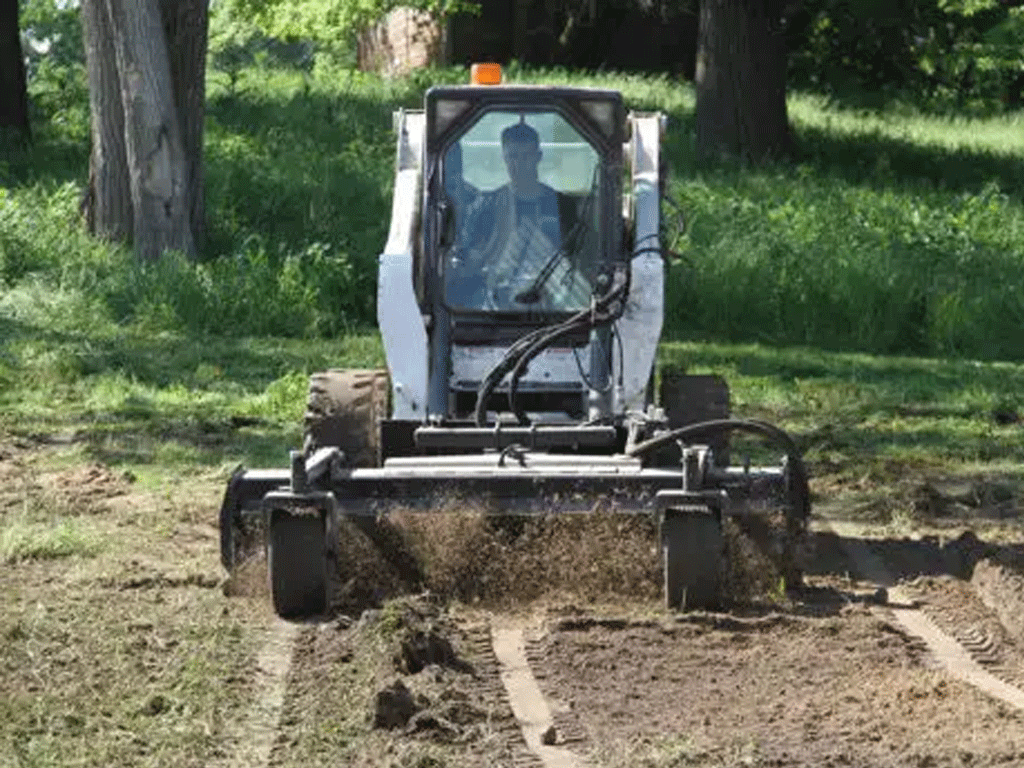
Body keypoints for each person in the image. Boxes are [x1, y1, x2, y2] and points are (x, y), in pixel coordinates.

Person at [459, 121, 578, 310]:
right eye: (512, 156)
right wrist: (495, 243)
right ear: (503, 158)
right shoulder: (486, 206)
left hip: (552, 306)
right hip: (497, 306)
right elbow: (468, 265)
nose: (519, 164)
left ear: (538, 157)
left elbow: (578, 261)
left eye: (526, 156)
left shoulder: (563, 206)